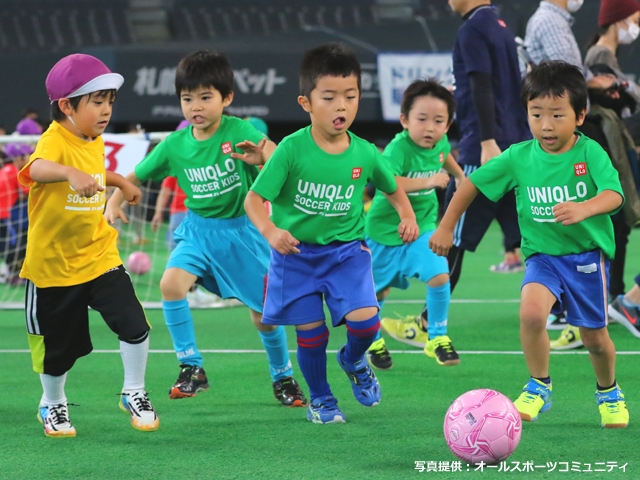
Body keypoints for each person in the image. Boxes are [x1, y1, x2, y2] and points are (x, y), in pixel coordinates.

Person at [430, 61, 629, 428]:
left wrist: (584, 208)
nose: (546, 125)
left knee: (595, 339)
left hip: (585, 258)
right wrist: (445, 227)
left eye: (557, 114)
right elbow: (470, 185)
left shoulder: (590, 154)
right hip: (543, 257)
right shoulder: (519, 157)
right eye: (536, 114)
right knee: (531, 314)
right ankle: (539, 385)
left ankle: (609, 391)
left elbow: (615, 195)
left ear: (580, 116)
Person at [105, 50, 307, 407]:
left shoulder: (239, 130)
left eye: (205, 97)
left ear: (226, 98)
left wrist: (264, 158)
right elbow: (137, 174)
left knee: (265, 318)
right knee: (170, 284)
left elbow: (277, 157)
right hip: (197, 233)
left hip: (242, 235)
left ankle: (283, 377)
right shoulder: (175, 144)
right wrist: (116, 199)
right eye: (187, 98)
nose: (195, 106)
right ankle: (191, 366)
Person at [245, 43, 419, 424]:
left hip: (347, 255)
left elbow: (392, 188)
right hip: (296, 257)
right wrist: (270, 230)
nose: (342, 105)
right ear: (306, 102)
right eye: (330, 97)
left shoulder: (366, 153)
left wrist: (408, 216)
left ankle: (353, 361)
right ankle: (322, 400)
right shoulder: (290, 150)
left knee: (366, 323)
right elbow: (254, 200)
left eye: (351, 96)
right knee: (311, 333)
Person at [18, 53, 160, 437]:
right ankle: (53, 403)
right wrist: (67, 172)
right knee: (58, 350)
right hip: (53, 267)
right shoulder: (53, 141)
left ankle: (134, 391)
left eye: (110, 101)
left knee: (134, 323)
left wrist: (121, 183)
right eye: (97, 101)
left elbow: (95, 170)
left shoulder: (92, 138)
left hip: (98, 255)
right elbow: (36, 170)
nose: (106, 110)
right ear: (66, 105)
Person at [364, 79, 465, 370]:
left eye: (439, 121)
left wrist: (459, 176)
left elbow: (442, 156)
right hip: (384, 233)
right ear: (405, 120)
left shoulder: (440, 142)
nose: (430, 127)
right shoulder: (397, 149)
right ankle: (371, 338)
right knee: (377, 294)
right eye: (422, 119)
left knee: (439, 276)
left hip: (422, 226)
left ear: (447, 125)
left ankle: (436, 337)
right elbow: (387, 184)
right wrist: (428, 181)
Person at [0, 143, 31, 286]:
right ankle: (12, 274)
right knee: (15, 244)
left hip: (4, 213)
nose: (29, 158)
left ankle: (8, 272)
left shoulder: (5, 170)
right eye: (27, 156)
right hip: (4, 215)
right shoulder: (14, 171)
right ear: (18, 157)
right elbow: (27, 191)